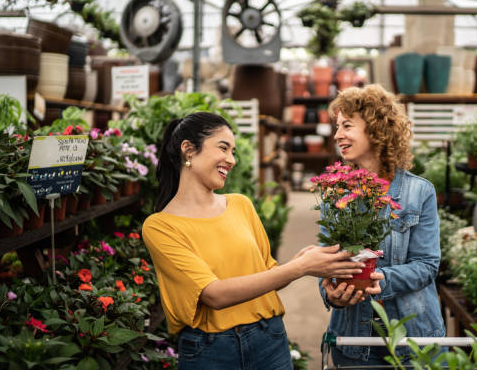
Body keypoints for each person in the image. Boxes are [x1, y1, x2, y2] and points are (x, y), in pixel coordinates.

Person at [142, 112, 365, 370]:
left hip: (269, 340)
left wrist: (301, 263)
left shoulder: (240, 205)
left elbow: (266, 275)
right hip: (211, 352)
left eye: (233, 151)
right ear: (188, 150)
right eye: (223, 148)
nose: (232, 160)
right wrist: (300, 268)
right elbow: (213, 295)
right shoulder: (161, 227)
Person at [318, 84, 445, 366]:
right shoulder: (334, 192)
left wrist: (380, 281)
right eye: (337, 127)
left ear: (376, 129)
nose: (338, 135)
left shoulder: (419, 192)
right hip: (353, 341)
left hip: (414, 340)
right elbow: (324, 260)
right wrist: (331, 292)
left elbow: (427, 265)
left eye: (347, 125)